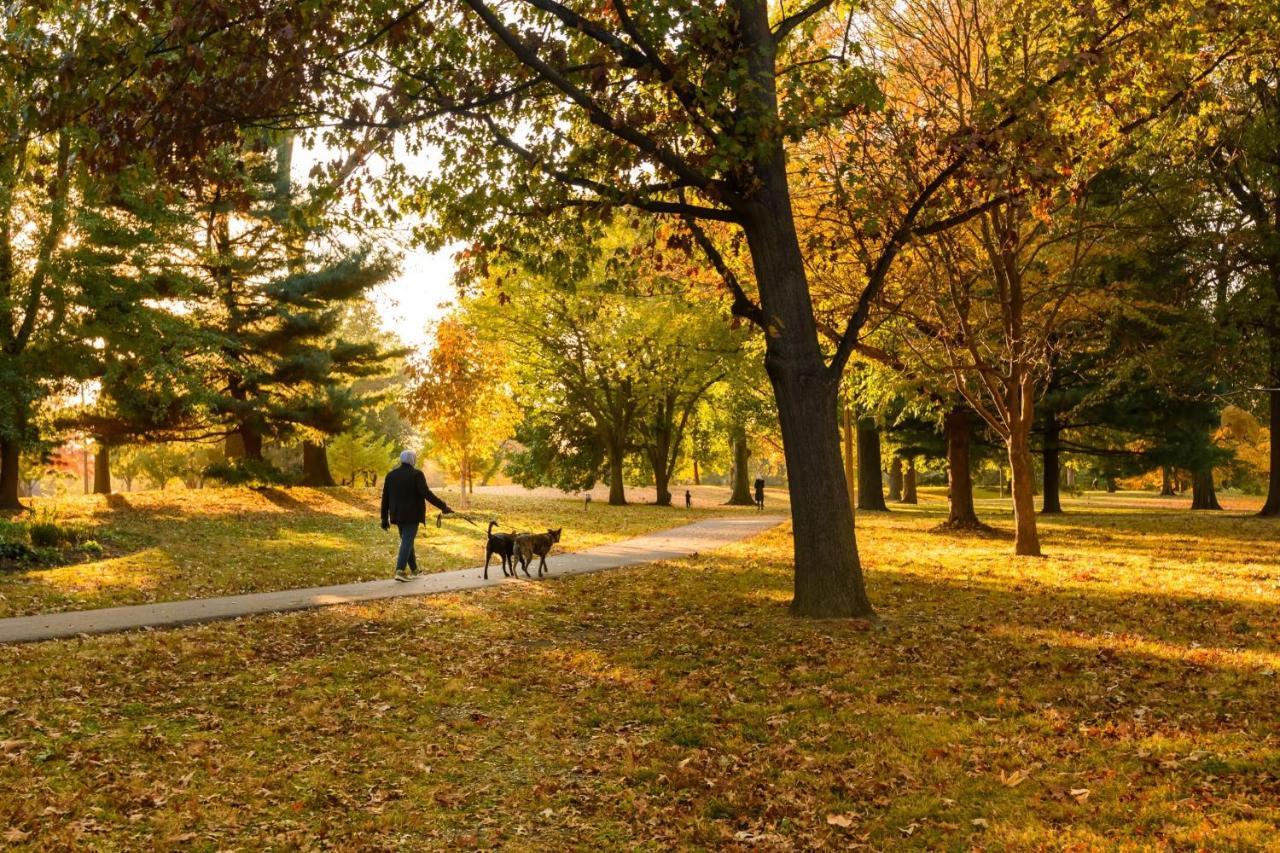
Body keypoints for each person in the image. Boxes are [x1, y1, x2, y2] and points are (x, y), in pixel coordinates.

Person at [381, 450, 452, 582]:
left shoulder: (391, 475)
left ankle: (414, 570)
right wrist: (443, 506)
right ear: (412, 460)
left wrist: (384, 518)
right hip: (412, 514)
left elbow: (385, 498)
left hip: (397, 514)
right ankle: (400, 570)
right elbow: (427, 493)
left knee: (407, 540)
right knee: (407, 540)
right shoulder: (416, 474)